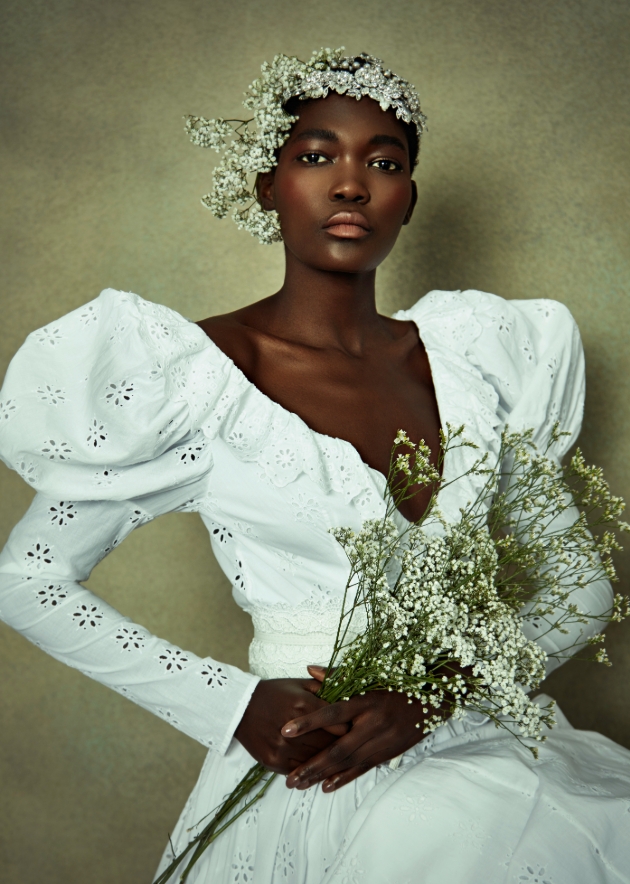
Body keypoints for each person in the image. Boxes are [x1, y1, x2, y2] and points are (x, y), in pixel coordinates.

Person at [0, 49, 629, 884]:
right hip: (309, 757)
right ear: (268, 186)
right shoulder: (192, 377)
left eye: (383, 162)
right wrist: (230, 705)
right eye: (315, 155)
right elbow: (27, 577)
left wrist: (437, 691)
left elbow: (578, 585)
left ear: (409, 197)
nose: (349, 184)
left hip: (481, 741)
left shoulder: (474, 361)